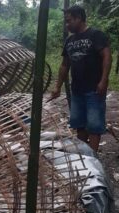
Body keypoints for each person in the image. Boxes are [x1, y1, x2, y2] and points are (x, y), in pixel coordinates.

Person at [50, 5, 112, 152]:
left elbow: (107, 57)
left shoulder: (96, 35)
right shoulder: (69, 41)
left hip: (94, 89)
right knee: (80, 124)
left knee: (94, 125)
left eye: (69, 21)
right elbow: (65, 65)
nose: (67, 25)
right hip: (76, 90)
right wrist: (57, 86)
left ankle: (93, 157)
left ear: (79, 18)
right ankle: (84, 155)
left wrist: (103, 80)